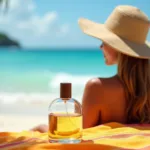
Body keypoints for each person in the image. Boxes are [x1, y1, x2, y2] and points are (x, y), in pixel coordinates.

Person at [31, 5, 150, 132]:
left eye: (104, 41)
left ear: (117, 47)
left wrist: (42, 128)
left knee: (39, 129)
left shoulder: (97, 87)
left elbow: (79, 136)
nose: (100, 47)